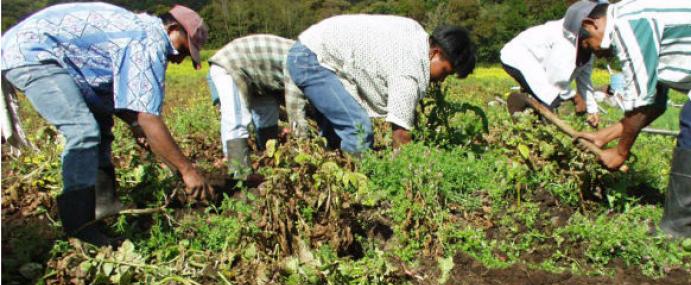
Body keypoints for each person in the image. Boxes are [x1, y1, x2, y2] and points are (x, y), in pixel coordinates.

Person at [1, 2, 215, 247]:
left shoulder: (138, 32)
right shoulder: (148, 40)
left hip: (54, 57)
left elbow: (124, 103)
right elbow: (147, 116)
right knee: (83, 131)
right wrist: (188, 171)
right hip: (32, 53)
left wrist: (134, 124)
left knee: (100, 125)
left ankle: (104, 208)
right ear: (172, 29)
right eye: (183, 49)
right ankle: (79, 228)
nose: (179, 59)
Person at [565, 0, 691, 238]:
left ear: (592, 24)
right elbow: (655, 104)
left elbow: (641, 104)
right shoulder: (636, 18)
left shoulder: (626, 25)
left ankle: (678, 231)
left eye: (587, 44)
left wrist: (620, 152)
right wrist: (604, 136)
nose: (594, 53)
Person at [286, 14, 476, 154]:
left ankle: (333, 180)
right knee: (358, 131)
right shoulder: (409, 70)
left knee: (334, 137)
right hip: (312, 59)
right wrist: (408, 173)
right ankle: (357, 190)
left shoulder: (416, 34)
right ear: (435, 53)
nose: (442, 80)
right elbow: (401, 135)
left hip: (314, 52)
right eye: (445, 71)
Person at [207, 34, 309, 174]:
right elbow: (295, 109)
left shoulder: (306, 60)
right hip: (230, 64)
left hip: (260, 78)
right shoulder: (302, 63)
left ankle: (268, 162)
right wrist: (304, 148)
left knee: (268, 117)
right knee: (237, 119)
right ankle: (239, 174)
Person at [500, 18, 600, 127]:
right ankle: (521, 107)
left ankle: (533, 123)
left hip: (539, 65)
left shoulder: (589, 50)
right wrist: (575, 97)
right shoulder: (566, 41)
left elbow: (584, 80)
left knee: (550, 99)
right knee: (551, 98)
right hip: (519, 56)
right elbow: (556, 80)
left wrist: (592, 110)